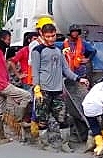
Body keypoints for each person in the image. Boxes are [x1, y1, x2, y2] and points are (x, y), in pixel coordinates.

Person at [31, 22, 89, 150]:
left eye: (53, 36)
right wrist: (36, 88)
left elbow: (66, 70)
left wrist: (79, 79)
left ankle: (65, 144)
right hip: (43, 90)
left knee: (64, 118)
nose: (51, 39)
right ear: (43, 35)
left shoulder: (58, 51)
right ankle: (45, 144)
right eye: (48, 36)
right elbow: (35, 71)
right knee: (42, 118)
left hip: (57, 91)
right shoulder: (37, 51)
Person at [0, 30, 31, 140]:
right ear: (2, 39)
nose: (10, 42)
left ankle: (0, 137)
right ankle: (18, 120)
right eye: (8, 39)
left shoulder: (0, 52)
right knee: (27, 96)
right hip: (1, 85)